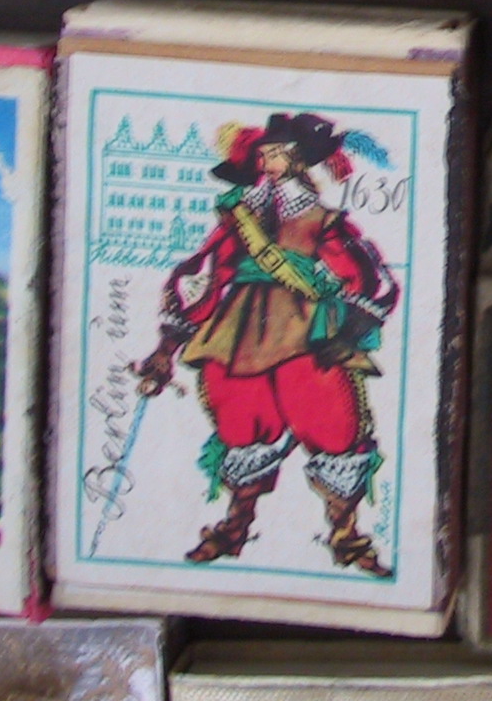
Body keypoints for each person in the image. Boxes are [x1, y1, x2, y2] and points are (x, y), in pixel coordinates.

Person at [135, 112, 399, 574]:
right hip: (239, 332)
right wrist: (166, 347)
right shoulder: (240, 218)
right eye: (264, 154)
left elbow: (365, 275)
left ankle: (345, 533)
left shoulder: (322, 219)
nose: (268, 162)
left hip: (307, 333)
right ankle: (236, 525)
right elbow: (204, 276)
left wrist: (349, 332)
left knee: (331, 424)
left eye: (277, 153)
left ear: (296, 160)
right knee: (240, 422)